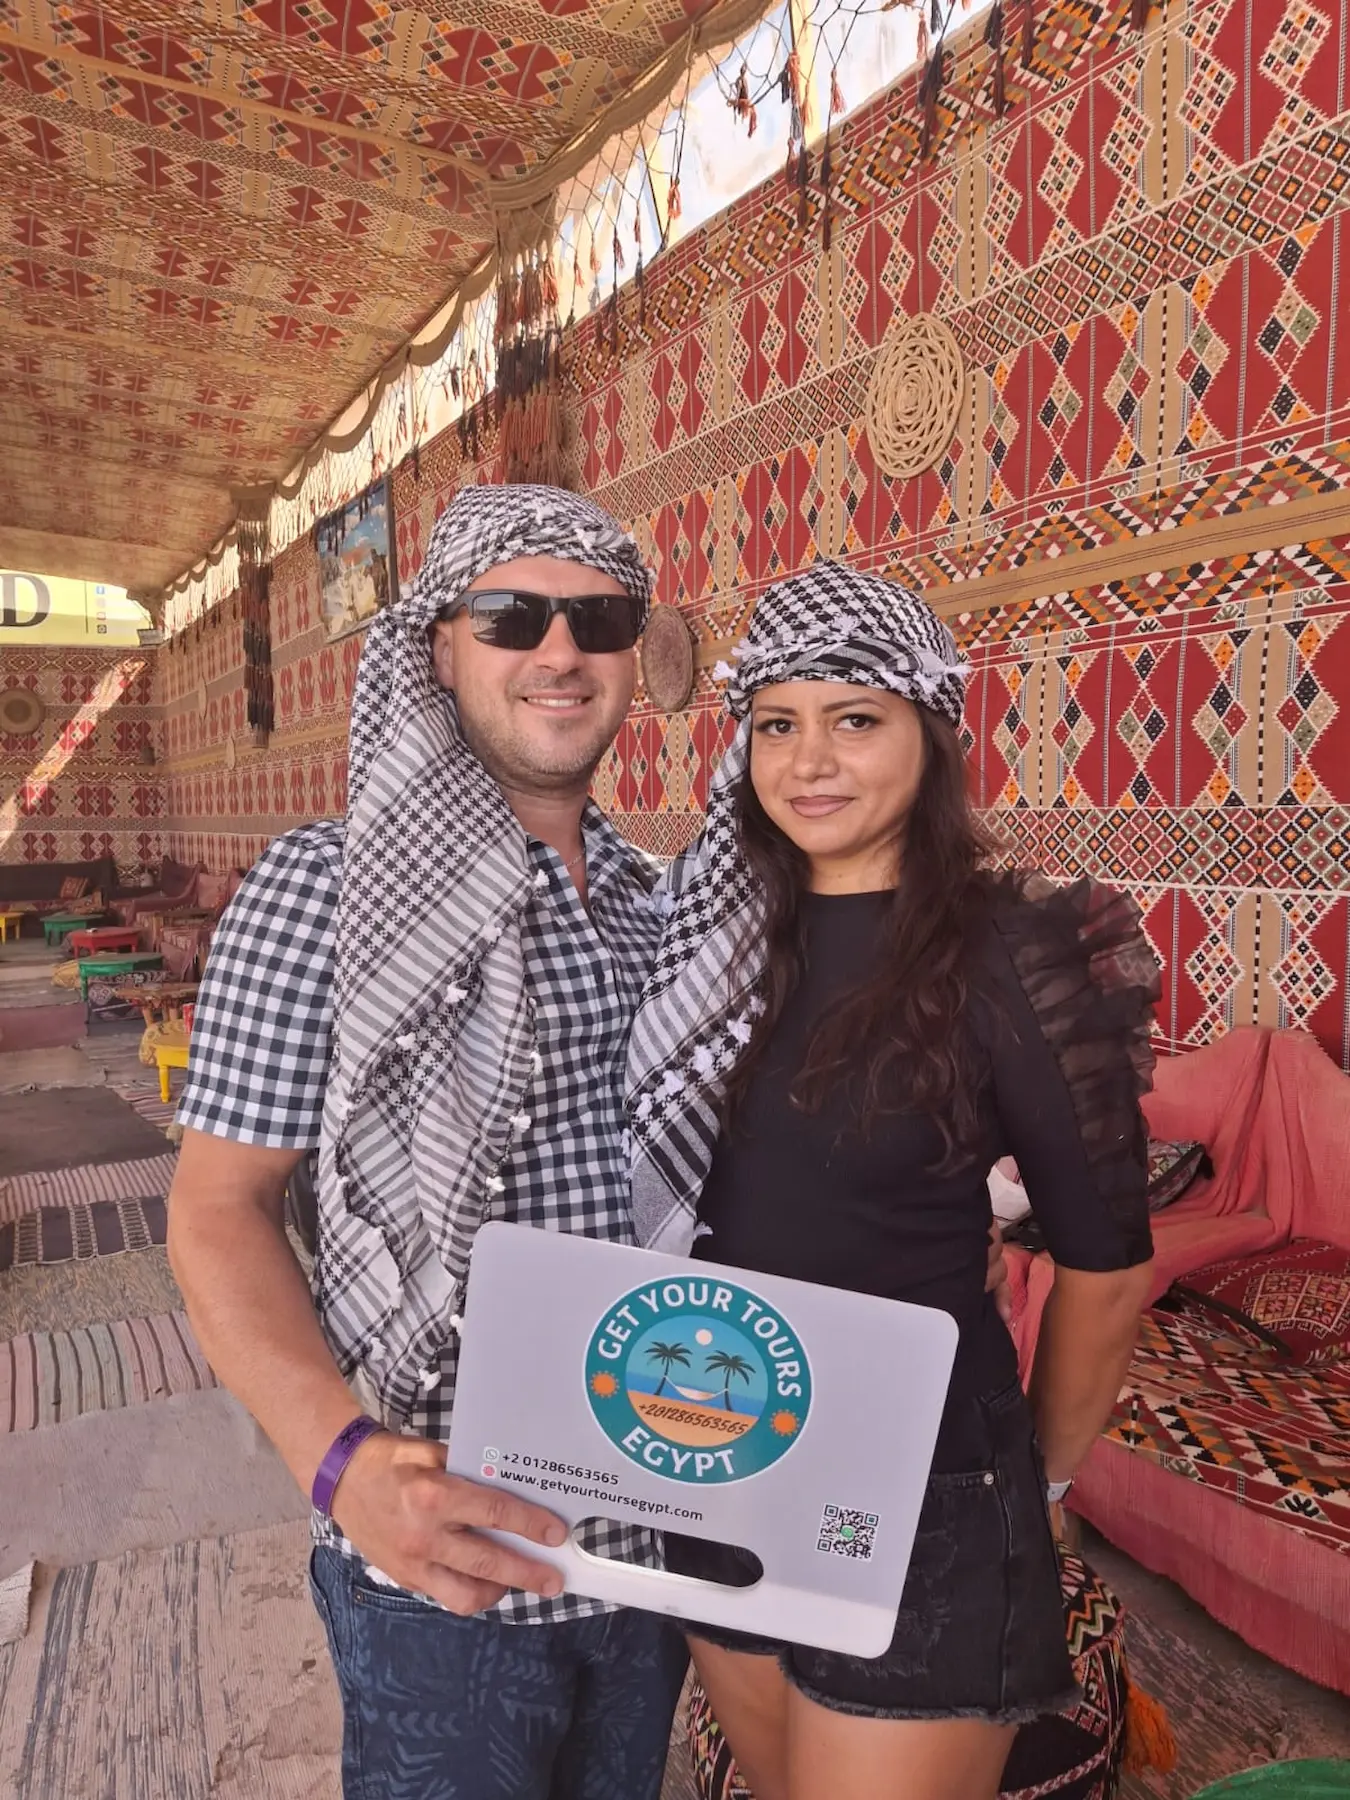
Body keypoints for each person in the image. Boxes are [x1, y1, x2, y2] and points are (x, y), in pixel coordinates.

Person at [167, 485, 689, 1800]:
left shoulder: (665, 908)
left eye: (599, 620)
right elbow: (218, 1209)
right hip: (440, 1578)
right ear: (440, 649)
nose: (560, 651)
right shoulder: (324, 891)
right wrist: (338, 1462)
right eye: (511, 617)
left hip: (653, 1552)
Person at [625, 563, 1161, 1800]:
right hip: (716, 1446)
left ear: (932, 734)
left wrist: (1035, 1484)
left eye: (854, 719)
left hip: (926, 1490)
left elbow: (1107, 1271)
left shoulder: (1009, 951)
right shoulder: (709, 943)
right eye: (776, 724)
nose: (808, 760)